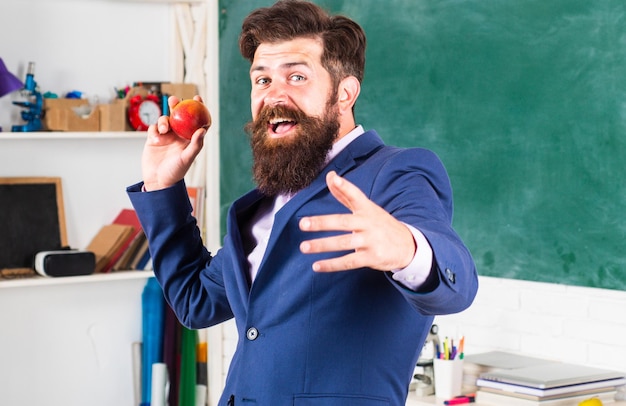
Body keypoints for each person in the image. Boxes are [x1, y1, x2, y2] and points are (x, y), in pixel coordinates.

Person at [127, 1, 478, 404]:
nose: (274, 95)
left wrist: (407, 249)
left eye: (296, 76)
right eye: (262, 80)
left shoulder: (395, 173)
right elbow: (196, 301)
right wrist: (161, 185)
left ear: (344, 93)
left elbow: (458, 284)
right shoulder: (268, 200)